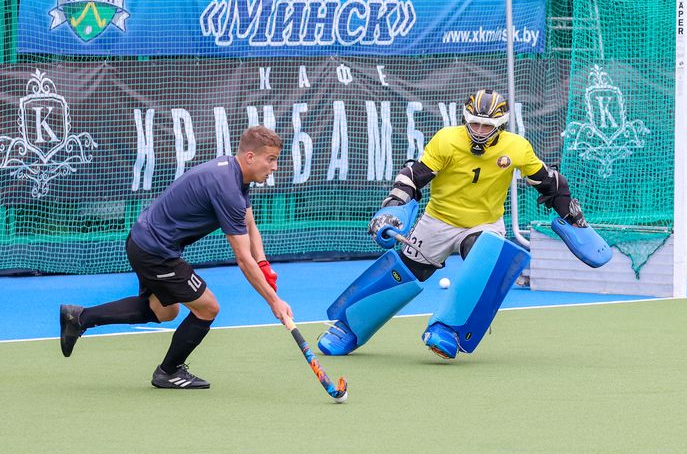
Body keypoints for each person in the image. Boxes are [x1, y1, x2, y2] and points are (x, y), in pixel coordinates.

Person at [317, 89, 590, 360]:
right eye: (475, 123)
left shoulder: (517, 147)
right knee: (404, 273)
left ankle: (448, 330)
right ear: (465, 119)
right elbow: (413, 176)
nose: (479, 131)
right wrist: (392, 207)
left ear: (501, 126)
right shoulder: (446, 140)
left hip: (484, 223)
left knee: (485, 259)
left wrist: (573, 219)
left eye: (487, 126)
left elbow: (550, 183)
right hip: (438, 220)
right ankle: (349, 326)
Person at [59, 125, 294, 389]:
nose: (275, 167)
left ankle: (78, 318)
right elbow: (242, 258)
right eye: (271, 159)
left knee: (164, 310)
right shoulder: (227, 188)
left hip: (144, 241)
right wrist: (274, 301)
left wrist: (263, 264)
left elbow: (249, 224)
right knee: (208, 307)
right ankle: (168, 371)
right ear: (250, 157)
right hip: (156, 251)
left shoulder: (234, 173)